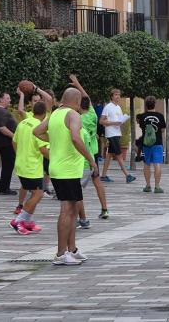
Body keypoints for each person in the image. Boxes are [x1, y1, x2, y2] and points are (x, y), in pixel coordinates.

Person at [33, 88, 97, 266]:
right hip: (67, 170)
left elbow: (37, 131)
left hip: (60, 168)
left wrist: (55, 138)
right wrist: (91, 160)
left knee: (74, 208)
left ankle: (72, 249)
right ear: (76, 101)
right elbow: (76, 139)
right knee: (67, 210)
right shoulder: (73, 115)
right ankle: (61, 253)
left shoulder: (55, 114)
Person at [71, 74, 109, 225]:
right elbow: (87, 97)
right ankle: (105, 209)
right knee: (97, 181)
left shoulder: (77, 119)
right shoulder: (92, 112)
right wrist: (78, 83)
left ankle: (82, 219)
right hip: (94, 151)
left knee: (77, 189)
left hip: (84, 154)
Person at [10, 102, 49, 235]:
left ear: (33, 111)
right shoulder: (39, 127)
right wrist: (56, 158)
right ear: (44, 114)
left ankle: (27, 221)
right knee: (38, 194)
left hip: (21, 164)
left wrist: (20, 154)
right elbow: (43, 149)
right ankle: (18, 220)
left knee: (34, 193)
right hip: (32, 167)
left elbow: (14, 141)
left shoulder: (23, 123)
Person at [99, 89, 135, 184]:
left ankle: (103, 175)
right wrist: (114, 122)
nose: (118, 96)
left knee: (110, 154)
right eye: (115, 95)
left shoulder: (118, 107)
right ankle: (127, 175)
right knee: (119, 155)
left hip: (117, 133)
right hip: (111, 134)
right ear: (111, 96)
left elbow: (118, 120)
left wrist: (121, 121)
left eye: (119, 95)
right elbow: (101, 121)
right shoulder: (107, 107)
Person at [136, 96, 167, 194]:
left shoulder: (142, 117)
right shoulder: (160, 116)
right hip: (157, 143)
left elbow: (142, 127)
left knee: (146, 163)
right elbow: (162, 129)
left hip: (146, 144)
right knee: (157, 163)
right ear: (155, 104)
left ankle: (148, 185)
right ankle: (157, 187)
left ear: (146, 105)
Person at [0, 91, 18, 195]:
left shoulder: (1, 111)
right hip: (5, 143)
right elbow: (1, 128)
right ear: (1, 99)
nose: (9, 100)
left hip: (6, 143)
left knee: (8, 165)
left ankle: (4, 187)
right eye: (7, 98)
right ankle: (4, 188)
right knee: (8, 165)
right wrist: (15, 136)